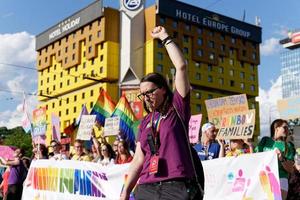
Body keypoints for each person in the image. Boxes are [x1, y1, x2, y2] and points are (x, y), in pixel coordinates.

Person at [120, 26, 200, 200]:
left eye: (150, 92)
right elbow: (138, 159)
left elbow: (181, 67)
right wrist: (125, 190)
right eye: (142, 94)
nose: (146, 97)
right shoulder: (144, 122)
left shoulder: (177, 108)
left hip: (177, 185)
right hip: (147, 187)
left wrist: (164, 36)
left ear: (163, 89)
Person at [255, 119, 295, 200]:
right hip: (264, 179)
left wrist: (281, 158)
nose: (287, 130)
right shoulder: (265, 140)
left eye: (288, 128)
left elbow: (291, 169)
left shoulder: (289, 145)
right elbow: (255, 157)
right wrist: (250, 146)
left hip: (280, 179)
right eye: (285, 127)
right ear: (276, 128)